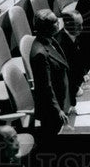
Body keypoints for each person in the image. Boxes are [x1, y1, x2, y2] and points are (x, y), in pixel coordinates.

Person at [29, 9, 73, 144]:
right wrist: (58, 110)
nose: (58, 23)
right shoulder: (40, 53)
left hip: (62, 99)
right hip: (51, 110)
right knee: (54, 143)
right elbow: (45, 86)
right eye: (54, 22)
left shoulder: (50, 41)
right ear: (46, 28)